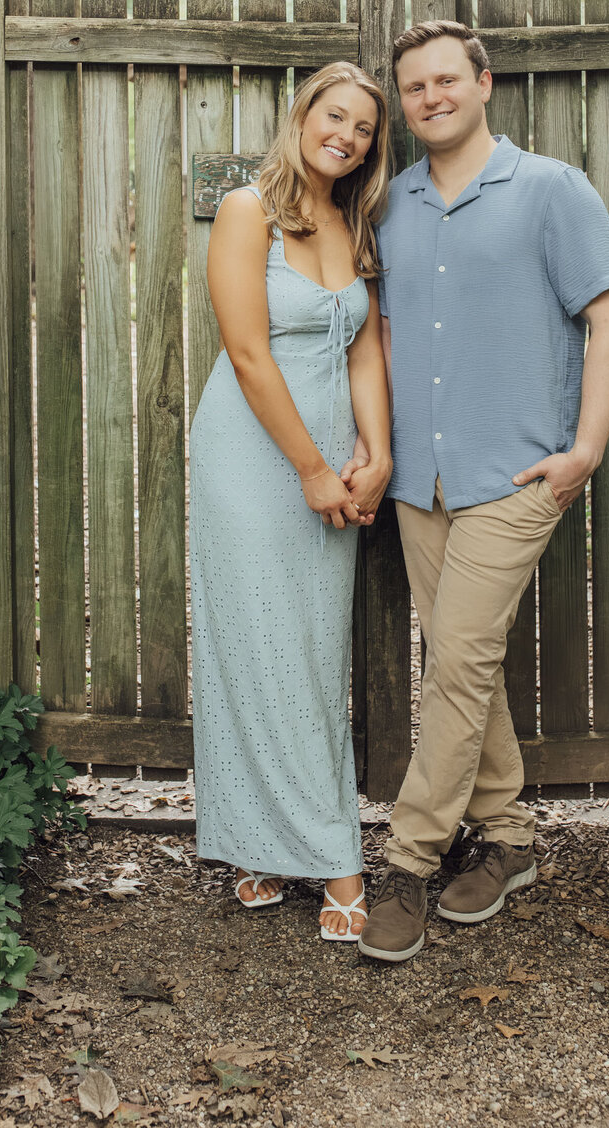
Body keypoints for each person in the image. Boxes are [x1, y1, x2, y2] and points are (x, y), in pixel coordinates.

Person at [350, 21, 609, 963]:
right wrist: (380, 454)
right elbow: (380, 338)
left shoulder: (551, 189)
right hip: (422, 484)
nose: (431, 98)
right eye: (415, 88)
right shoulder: (391, 203)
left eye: (446, 80)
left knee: (458, 663)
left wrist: (583, 449)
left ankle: (409, 859)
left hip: (515, 474)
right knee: (466, 665)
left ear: (482, 83)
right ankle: (509, 839)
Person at [190, 61, 394, 942]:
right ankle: (318, 855)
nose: (344, 137)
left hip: (332, 464)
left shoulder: (355, 222)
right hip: (251, 458)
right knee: (252, 644)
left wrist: (375, 455)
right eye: (333, 116)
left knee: (310, 651)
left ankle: (279, 840)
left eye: (362, 131)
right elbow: (247, 353)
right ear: (302, 114)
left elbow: (361, 352)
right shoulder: (248, 212)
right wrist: (312, 468)